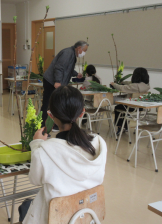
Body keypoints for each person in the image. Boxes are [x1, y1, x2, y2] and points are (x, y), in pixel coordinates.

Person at [19, 85, 107, 224]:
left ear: (50, 115)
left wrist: (36, 144)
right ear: (82, 113)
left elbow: (34, 180)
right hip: (88, 217)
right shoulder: (99, 144)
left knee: (25, 206)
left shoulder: (44, 151)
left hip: (56, 218)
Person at [41, 40, 89, 131]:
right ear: (79, 48)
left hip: (54, 81)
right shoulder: (68, 53)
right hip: (51, 81)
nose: (84, 53)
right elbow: (59, 67)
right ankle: (43, 127)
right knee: (48, 104)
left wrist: (76, 74)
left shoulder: (71, 54)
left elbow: (68, 68)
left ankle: (54, 125)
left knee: (56, 104)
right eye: (84, 50)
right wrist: (57, 81)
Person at [111, 67, 150, 135]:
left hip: (132, 106)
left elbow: (122, 88)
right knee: (122, 104)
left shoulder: (135, 86)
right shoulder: (146, 85)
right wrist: (123, 82)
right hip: (140, 106)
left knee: (118, 107)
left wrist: (114, 84)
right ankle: (125, 126)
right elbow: (130, 83)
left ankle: (121, 127)